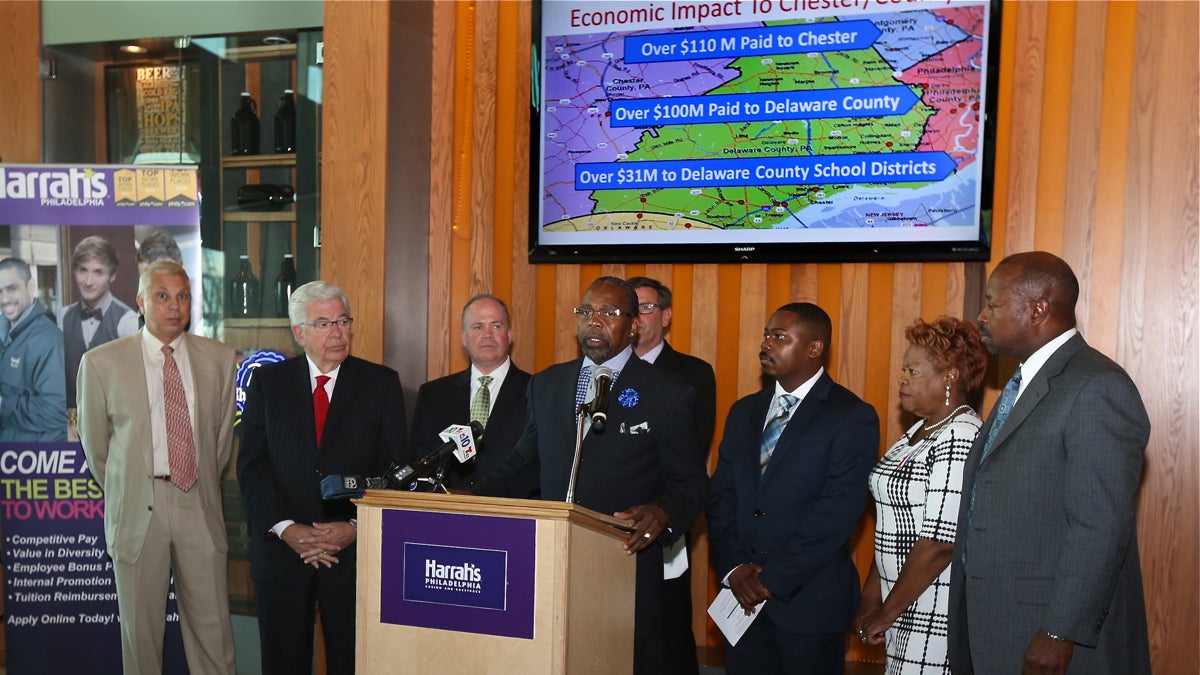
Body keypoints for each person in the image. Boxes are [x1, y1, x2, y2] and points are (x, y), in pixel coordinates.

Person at [473, 276, 710, 675]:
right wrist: (466, 501)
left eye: (609, 312)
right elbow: (524, 464)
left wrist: (663, 511)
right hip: (549, 570)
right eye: (587, 311)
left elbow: (693, 484)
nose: (595, 321)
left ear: (634, 325)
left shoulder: (669, 393)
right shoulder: (547, 385)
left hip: (623, 573)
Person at [948, 251, 1152, 675]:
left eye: (993, 304)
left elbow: (1100, 525)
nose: (982, 317)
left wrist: (1059, 631)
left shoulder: (1097, 386)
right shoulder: (1022, 382)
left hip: (1049, 634)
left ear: (1038, 308)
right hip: (995, 623)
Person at [237, 280, 407, 675]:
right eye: (324, 323)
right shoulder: (267, 383)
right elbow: (251, 466)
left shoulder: (381, 383)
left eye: (343, 321)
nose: (338, 333)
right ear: (299, 333)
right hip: (281, 553)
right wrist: (286, 528)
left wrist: (353, 526)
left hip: (353, 556)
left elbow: (394, 471)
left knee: (351, 663)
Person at [77, 260, 237, 674]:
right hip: (137, 511)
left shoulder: (219, 360)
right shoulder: (100, 363)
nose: (174, 306)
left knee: (213, 635)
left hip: (198, 504)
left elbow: (219, 442)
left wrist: (195, 481)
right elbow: (98, 452)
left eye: (182, 296)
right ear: (141, 302)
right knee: (141, 639)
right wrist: (133, 484)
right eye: (162, 296)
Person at [708, 302, 879, 675]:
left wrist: (770, 579)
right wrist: (736, 568)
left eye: (780, 337)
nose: (766, 343)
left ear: (814, 348)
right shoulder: (744, 411)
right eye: (767, 334)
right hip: (740, 599)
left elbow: (837, 513)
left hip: (809, 603)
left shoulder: (850, 415)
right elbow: (721, 496)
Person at [853, 316, 988, 674]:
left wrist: (886, 609)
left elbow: (940, 542)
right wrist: (872, 595)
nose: (903, 378)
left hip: (932, 608)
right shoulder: (918, 431)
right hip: (902, 604)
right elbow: (892, 521)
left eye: (913, 371)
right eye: (903, 370)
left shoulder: (960, 435)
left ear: (950, 377)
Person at [628, 275, 716, 675]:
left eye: (645, 308)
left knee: (667, 622)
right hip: (606, 520)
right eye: (630, 309)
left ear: (665, 316)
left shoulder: (691, 374)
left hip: (661, 516)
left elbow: (690, 455)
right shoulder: (604, 370)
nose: (636, 318)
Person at [409, 294, 530, 490]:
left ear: (509, 335)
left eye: (496, 326)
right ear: (464, 338)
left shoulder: (537, 392)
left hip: (511, 513)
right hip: (446, 513)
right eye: (478, 327)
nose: (488, 334)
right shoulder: (432, 395)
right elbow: (421, 463)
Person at [61, 235, 139, 409]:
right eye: (82, 270)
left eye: (98, 272)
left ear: (112, 276)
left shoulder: (128, 322)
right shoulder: (62, 317)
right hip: (70, 427)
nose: (88, 281)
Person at [0, 257, 68, 442]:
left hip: (37, 461)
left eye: (12, 288)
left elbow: (58, 411)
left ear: (31, 287)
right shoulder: (6, 333)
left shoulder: (49, 341)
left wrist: (3, 406)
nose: (4, 299)